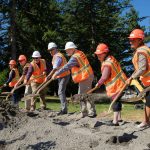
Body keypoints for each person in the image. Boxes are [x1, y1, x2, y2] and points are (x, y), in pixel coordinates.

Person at [52, 41, 96, 118]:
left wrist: (56, 73)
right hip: (87, 76)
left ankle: (85, 113)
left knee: (82, 96)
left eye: (67, 50)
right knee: (87, 95)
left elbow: (67, 66)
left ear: (72, 49)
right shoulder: (79, 53)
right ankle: (91, 112)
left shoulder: (75, 57)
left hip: (85, 77)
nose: (66, 51)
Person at [95, 43, 127, 126]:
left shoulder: (107, 64)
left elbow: (104, 77)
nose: (98, 56)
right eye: (97, 54)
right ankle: (119, 118)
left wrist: (98, 83)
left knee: (115, 101)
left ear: (105, 53)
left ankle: (115, 121)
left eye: (99, 54)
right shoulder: (111, 58)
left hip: (116, 86)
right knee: (117, 101)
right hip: (121, 83)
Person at [127, 29, 150, 128]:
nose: (130, 41)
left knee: (148, 101)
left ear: (140, 40)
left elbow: (142, 69)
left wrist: (132, 77)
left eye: (133, 40)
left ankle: (146, 122)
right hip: (148, 81)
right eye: (130, 39)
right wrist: (131, 76)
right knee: (148, 101)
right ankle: (146, 122)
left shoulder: (141, 51)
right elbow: (139, 69)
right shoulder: (144, 49)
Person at [46, 42, 70, 115]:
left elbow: (55, 68)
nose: (50, 51)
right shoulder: (56, 56)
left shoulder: (57, 56)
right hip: (62, 76)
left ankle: (64, 110)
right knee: (61, 91)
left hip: (64, 75)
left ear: (55, 49)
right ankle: (63, 108)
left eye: (51, 50)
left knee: (60, 92)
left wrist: (49, 76)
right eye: (49, 50)